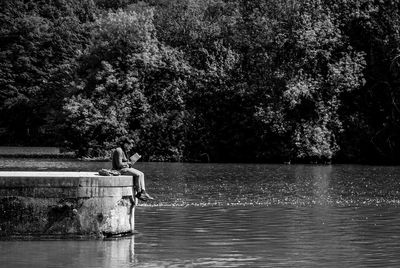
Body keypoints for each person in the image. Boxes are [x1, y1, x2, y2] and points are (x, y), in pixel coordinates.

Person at [112, 137, 154, 201]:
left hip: (125, 168)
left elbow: (127, 163)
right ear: (125, 144)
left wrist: (133, 161)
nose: (130, 148)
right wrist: (128, 163)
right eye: (129, 147)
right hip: (118, 170)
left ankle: (143, 191)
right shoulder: (119, 150)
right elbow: (119, 164)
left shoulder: (125, 151)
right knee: (138, 175)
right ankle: (139, 193)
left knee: (142, 174)